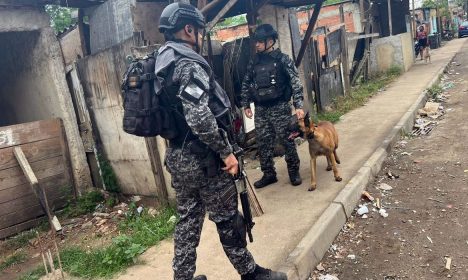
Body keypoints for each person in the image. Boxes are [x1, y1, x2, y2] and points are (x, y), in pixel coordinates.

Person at [155, 3, 287, 280]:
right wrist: (226, 152)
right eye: (200, 31)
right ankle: (251, 274)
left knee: (188, 220)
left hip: (178, 156)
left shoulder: (161, 61)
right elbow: (199, 116)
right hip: (204, 160)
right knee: (228, 220)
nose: (202, 36)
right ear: (189, 30)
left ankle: (183, 278)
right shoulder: (188, 63)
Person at [240, 24, 304, 189]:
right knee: (263, 142)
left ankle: (293, 171)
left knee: (287, 140)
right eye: (256, 42)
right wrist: (246, 104)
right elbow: (246, 83)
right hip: (261, 109)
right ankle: (269, 174)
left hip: (280, 107)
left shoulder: (283, 59)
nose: (257, 44)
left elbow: (295, 82)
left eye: (260, 41)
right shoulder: (254, 62)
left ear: (270, 41)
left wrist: (298, 104)